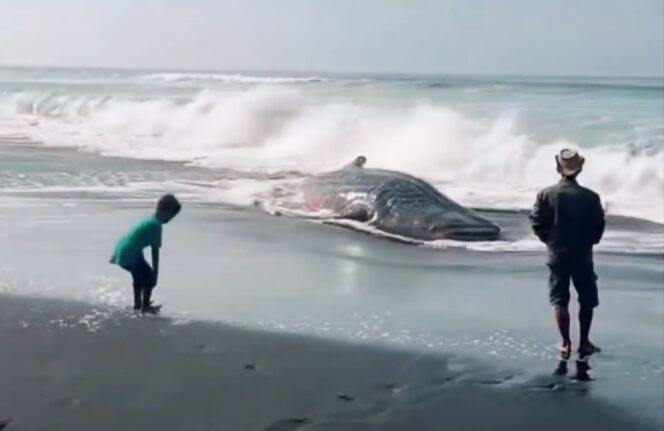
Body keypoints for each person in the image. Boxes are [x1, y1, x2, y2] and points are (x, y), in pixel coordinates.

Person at [530, 149, 605, 359]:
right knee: (587, 299)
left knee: (560, 299)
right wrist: (589, 242)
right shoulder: (590, 197)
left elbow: (537, 222)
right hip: (582, 254)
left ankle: (565, 342)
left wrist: (550, 240)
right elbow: (598, 225)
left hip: (557, 254)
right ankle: (584, 342)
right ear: (580, 169)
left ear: (558, 169)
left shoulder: (545, 194)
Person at [110, 194, 181, 314]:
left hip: (122, 250)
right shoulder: (156, 226)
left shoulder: (148, 220)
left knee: (139, 277)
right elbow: (155, 252)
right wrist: (155, 273)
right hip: (130, 254)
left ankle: (138, 305)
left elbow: (135, 241)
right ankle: (145, 305)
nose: (169, 220)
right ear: (167, 212)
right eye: (171, 217)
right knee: (149, 278)